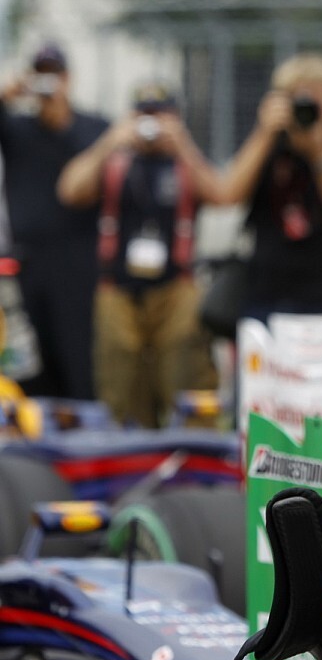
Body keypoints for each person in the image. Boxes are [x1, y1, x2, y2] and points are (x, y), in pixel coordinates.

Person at [58, 82, 220, 427]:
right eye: (144, 114)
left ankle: (190, 447)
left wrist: (183, 144)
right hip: (118, 289)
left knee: (184, 378)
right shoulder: (117, 160)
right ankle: (128, 445)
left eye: (161, 115)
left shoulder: (183, 161)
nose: (152, 124)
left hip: (176, 288)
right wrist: (109, 142)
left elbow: (222, 194)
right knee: (120, 384)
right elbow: (70, 190)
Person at [220, 53, 322, 322]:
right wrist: (264, 133)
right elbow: (229, 195)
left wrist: (320, 152)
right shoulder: (267, 145)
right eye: (298, 100)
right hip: (263, 291)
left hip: (321, 294)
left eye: (316, 100)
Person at [0, 43, 109, 399]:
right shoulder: (17, 127)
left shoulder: (92, 127)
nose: (47, 82)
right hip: (29, 259)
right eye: (40, 74)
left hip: (78, 257)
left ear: (67, 78)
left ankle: (84, 422)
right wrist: (8, 92)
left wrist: (60, 115)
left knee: (78, 352)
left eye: (53, 74)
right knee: (30, 361)